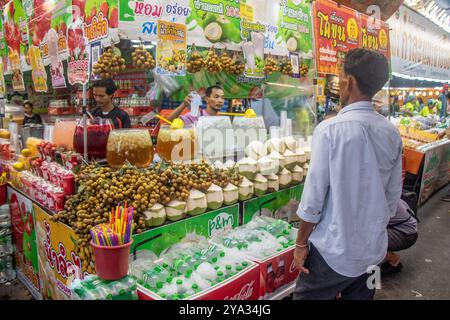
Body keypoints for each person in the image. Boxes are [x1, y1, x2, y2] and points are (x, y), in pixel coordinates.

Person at [293, 49, 403, 300]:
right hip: (372, 250)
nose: (338, 83)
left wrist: (300, 244)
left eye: (340, 76)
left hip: (333, 252)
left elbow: (313, 201)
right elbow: (392, 195)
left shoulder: (329, 130)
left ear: (349, 81)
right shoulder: (390, 132)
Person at [381, 199, 418, 275]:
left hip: (405, 235)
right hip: (402, 229)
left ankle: (393, 259)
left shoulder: (378, 200)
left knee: (367, 239)